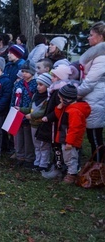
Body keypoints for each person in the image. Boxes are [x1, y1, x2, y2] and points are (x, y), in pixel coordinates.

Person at [77, 21, 105, 161]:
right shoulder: (96, 54)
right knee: (92, 136)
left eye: (91, 35)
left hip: (96, 98)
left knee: (95, 136)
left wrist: (75, 93)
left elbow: (90, 82)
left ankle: (99, 169)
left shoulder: (101, 57)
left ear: (100, 36)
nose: (88, 37)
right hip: (92, 98)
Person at [54, 84, 91, 184]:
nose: (59, 100)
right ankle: (69, 172)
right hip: (64, 137)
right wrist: (59, 107)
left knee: (71, 157)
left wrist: (69, 142)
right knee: (67, 157)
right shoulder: (68, 108)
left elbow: (74, 129)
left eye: (61, 98)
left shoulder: (74, 111)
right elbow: (59, 117)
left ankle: (72, 174)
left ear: (67, 99)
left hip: (70, 140)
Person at [19, 73, 52, 171]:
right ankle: (37, 162)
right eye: (38, 84)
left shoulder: (48, 99)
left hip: (42, 125)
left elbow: (43, 111)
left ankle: (44, 164)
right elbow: (30, 108)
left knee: (44, 145)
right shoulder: (35, 96)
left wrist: (32, 116)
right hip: (33, 124)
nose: (38, 87)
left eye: (41, 85)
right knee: (36, 145)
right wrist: (21, 109)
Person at [12, 61, 37, 168]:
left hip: (27, 113)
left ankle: (29, 157)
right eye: (22, 71)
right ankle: (19, 156)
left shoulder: (35, 84)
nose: (24, 73)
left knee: (28, 137)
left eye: (26, 71)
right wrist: (12, 108)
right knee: (18, 136)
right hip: (17, 112)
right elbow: (13, 97)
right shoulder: (18, 83)